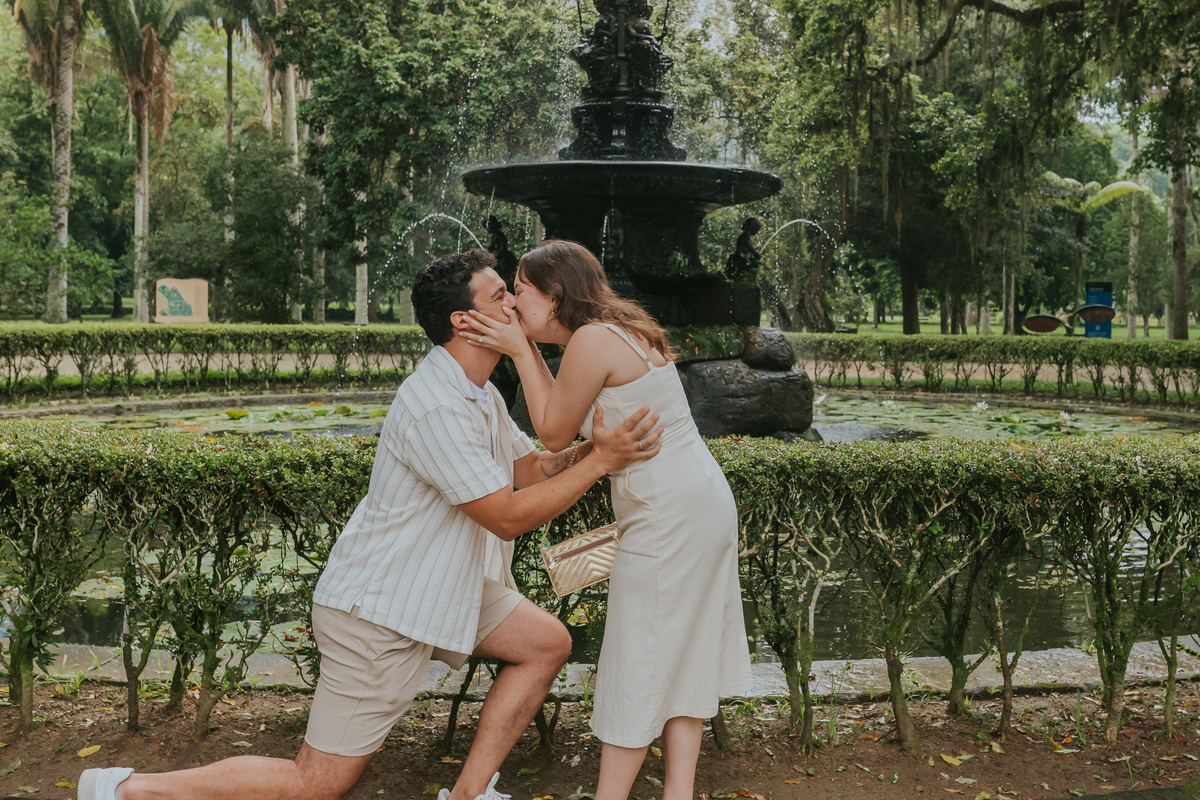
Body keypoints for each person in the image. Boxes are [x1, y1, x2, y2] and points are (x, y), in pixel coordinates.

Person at [77, 249, 663, 800]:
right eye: (500, 295)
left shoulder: (478, 392)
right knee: (318, 783)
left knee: (545, 643)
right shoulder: (434, 404)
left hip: (440, 587)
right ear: (464, 321)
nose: (515, 303)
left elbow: (530, 467)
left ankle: (467, 794)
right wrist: (603, 465)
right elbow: (507, 517)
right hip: (380, 610)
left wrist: (592, 449)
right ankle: (128, 789)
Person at [459, 240, 752, 800]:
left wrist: (522, 352)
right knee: (683, 655)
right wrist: (530, 351)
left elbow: (550, 432)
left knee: (637, 660)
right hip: (698, 502)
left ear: (555, 294)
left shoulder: (593, 340)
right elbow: (562, 426)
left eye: (520, 289)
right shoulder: (618, 329)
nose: (514, 303)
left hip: (668, 516)